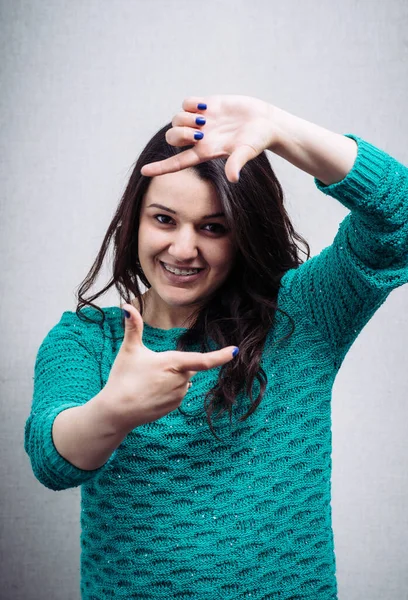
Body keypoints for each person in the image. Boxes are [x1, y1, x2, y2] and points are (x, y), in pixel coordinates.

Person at [24, 95, 408, 600]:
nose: (183, 249)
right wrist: (112, 413)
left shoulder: (303, 316)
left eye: (213, 227)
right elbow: (51, 459)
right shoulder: (87, 339)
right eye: (164, 219)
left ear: (243, 233)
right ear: (133, 220)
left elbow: (396, 220)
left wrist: (281, 128)